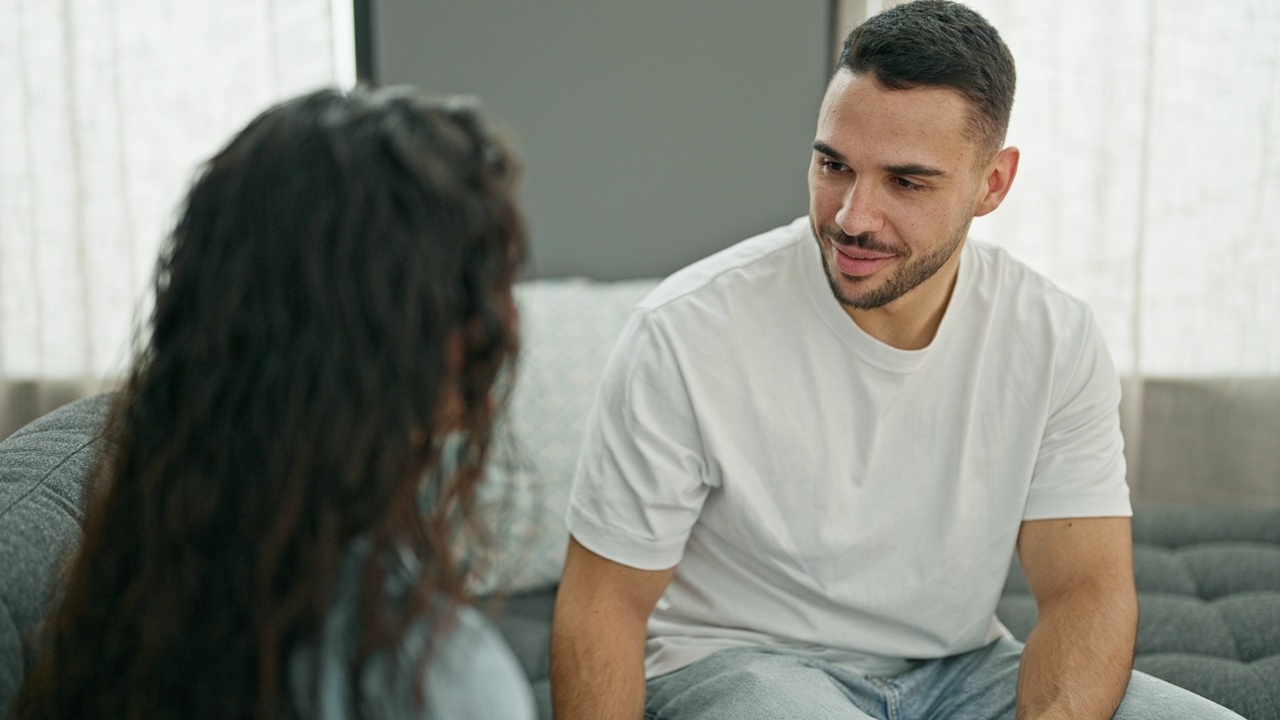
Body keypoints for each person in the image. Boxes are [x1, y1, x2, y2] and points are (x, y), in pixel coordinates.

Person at [550, 2, 1244, 719]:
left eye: (906, 182)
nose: (852, 216)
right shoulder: (683, 332)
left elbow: (1083, 589)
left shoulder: (1054, 337)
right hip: (739, 664)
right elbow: (603, 603)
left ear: (992, 185)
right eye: (833, 165)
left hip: (961, 670)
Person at [13, 86, 535, 720]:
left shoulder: (123, 598)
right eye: (486, 287)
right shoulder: (443, 681)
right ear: (417, 345)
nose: (503, 318)